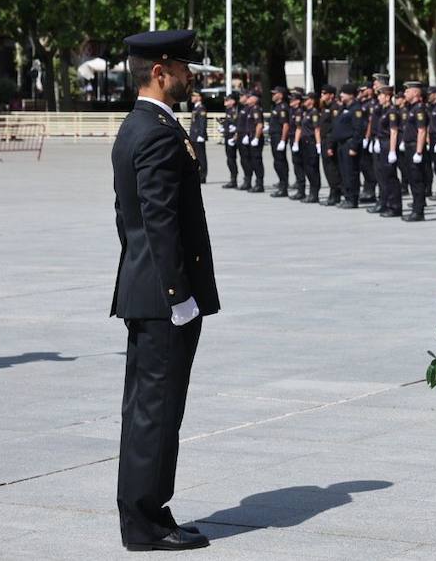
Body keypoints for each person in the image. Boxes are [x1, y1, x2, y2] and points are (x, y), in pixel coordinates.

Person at [109, 30, 219, 551]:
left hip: (147, 288)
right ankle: (143, 520)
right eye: (182, 66)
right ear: (159, 71)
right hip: (162, 296)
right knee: (155, 409)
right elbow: (158, 219)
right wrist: (177, 293)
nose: (189, 74)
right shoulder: (154, 131)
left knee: (152, 408)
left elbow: (123, 217)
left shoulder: (141, 125)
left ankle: (150, 506)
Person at [370, 85, 402, 217]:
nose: (378, 97)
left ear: (387, 96)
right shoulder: (383, 110)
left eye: (381, 95)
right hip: (382, 143)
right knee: (383, 176)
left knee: (390, 177)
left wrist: (392, 151)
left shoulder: (392, 111)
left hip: (389, 144)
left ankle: (395, 206)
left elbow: (394, 132)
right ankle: (387, 203)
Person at [402, 81, 430, 222]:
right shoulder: (411, 108)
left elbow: (422, 130)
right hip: (409, 147)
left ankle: (418, 212)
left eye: (408, 91)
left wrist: (418, 152)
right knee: (412, 179)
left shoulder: (419, 109)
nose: (405, 93)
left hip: (415, 148)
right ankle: (415, 208)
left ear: (415, 93)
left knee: (417, 180)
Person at [333, 87, 362, 208]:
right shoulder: (344, 108)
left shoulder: (356, 109)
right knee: (344, 172)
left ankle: (352, 199)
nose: (341, 95)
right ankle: (347, 196)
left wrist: (354, 146)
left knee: (351, 172)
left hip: (349, 144)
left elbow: (358, 129)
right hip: (342, 144)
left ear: (351, 95)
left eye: (344, 93)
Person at [318, 85, 342, 206]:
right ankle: (333, 192)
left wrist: (330, 146)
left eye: (324, 93)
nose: (322, 96)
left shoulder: (335, 108)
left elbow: (334, 128)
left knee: (332, 169)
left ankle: (335, 194)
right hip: (324, 141)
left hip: (330, 141)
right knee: (327, 169)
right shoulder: (325, 108)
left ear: (331, 95)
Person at [297, 90, 321, 204]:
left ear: (312, 101)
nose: (304, 102)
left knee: (312, 168)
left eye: (306, 100)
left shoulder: (314, 112)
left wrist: (318, 144)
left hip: (311, 142)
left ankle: (314, 194)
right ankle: (311, 192)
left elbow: (317, 129)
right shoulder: (307, 112)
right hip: (305, 142)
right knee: (307, 168)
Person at [268, 87, 291, 198]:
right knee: (277, 162)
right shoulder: (276, 107)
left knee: (280, 162)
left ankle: (283, 187)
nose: (273, 95)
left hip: (278, 137)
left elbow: (285, 125)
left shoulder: (282, 108)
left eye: (275, 93)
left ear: (281, 95)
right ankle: (281, 183)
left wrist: (282, 140)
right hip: (274, 136)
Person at [218, 92, 240, 189]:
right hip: (228, 136)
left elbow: (239, 123)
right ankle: (233, 179)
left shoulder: (237, 110)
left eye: (227, 100)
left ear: (233, 101)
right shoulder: (228, 110)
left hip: (234, 138)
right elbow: (228, 122)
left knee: (235, 159)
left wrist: (235, 134)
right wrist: (224, 127)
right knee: (230, 159)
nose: (225, 102)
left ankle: (236, 180)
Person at [187, 91, 207, 184]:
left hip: (198, 136)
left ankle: (203, 176)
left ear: (199, 97)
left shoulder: (201, 108)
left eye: (194, 96)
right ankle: (199, 175)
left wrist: (201, 135)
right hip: (194, 136)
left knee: (201, 157)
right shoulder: (196, 108)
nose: (192, 97)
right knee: (196, 156)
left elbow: (202, 123)